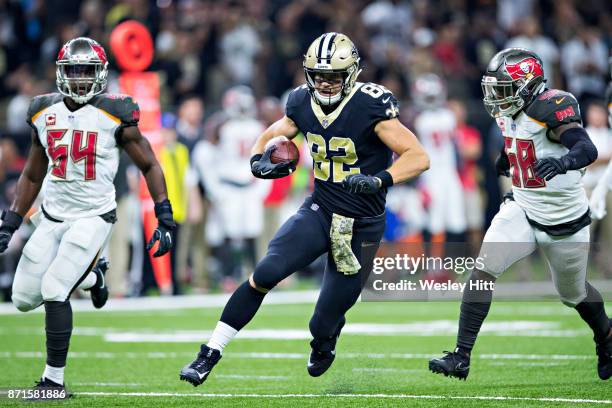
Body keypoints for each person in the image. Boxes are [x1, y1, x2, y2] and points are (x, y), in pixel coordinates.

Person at [179, 32, 429, 386]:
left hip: (361, 224)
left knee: (323, 320)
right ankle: (209, 353)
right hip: (321, 210)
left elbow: (419, 157)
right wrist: (256, 159)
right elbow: (270, 134)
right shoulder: (300, 102)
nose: (326, 84)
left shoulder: (370, 105)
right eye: (319, 75)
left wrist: (380, 180)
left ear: (352, 74)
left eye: (334, 76)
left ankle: (326, 339)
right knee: (266, 272)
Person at [0, 37, 176, 397]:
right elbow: (33, 175)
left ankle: (53, 381)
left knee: (53, 289)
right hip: (51, 216)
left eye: (87, 72)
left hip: (94, 216)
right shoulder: (42, 111)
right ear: (61, 73)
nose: (80, 79)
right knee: (22, 299)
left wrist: (164, 215)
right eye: (74, 71)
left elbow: (149, 164)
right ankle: (93, 278)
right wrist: (12, 221)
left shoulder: (117, 112)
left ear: (101, 74)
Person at [429, 48, 611, 381]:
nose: (496, 97)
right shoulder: (508, 112)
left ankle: (606, 337)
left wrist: (562, 162)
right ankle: (461, 356)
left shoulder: (550, 106)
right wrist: (507, 161)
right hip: (523, 206)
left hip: (564, 218)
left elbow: (586, 148)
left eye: (502, 88)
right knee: (483, 270)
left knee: (573, 294)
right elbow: (514, 144)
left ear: (527, 85)